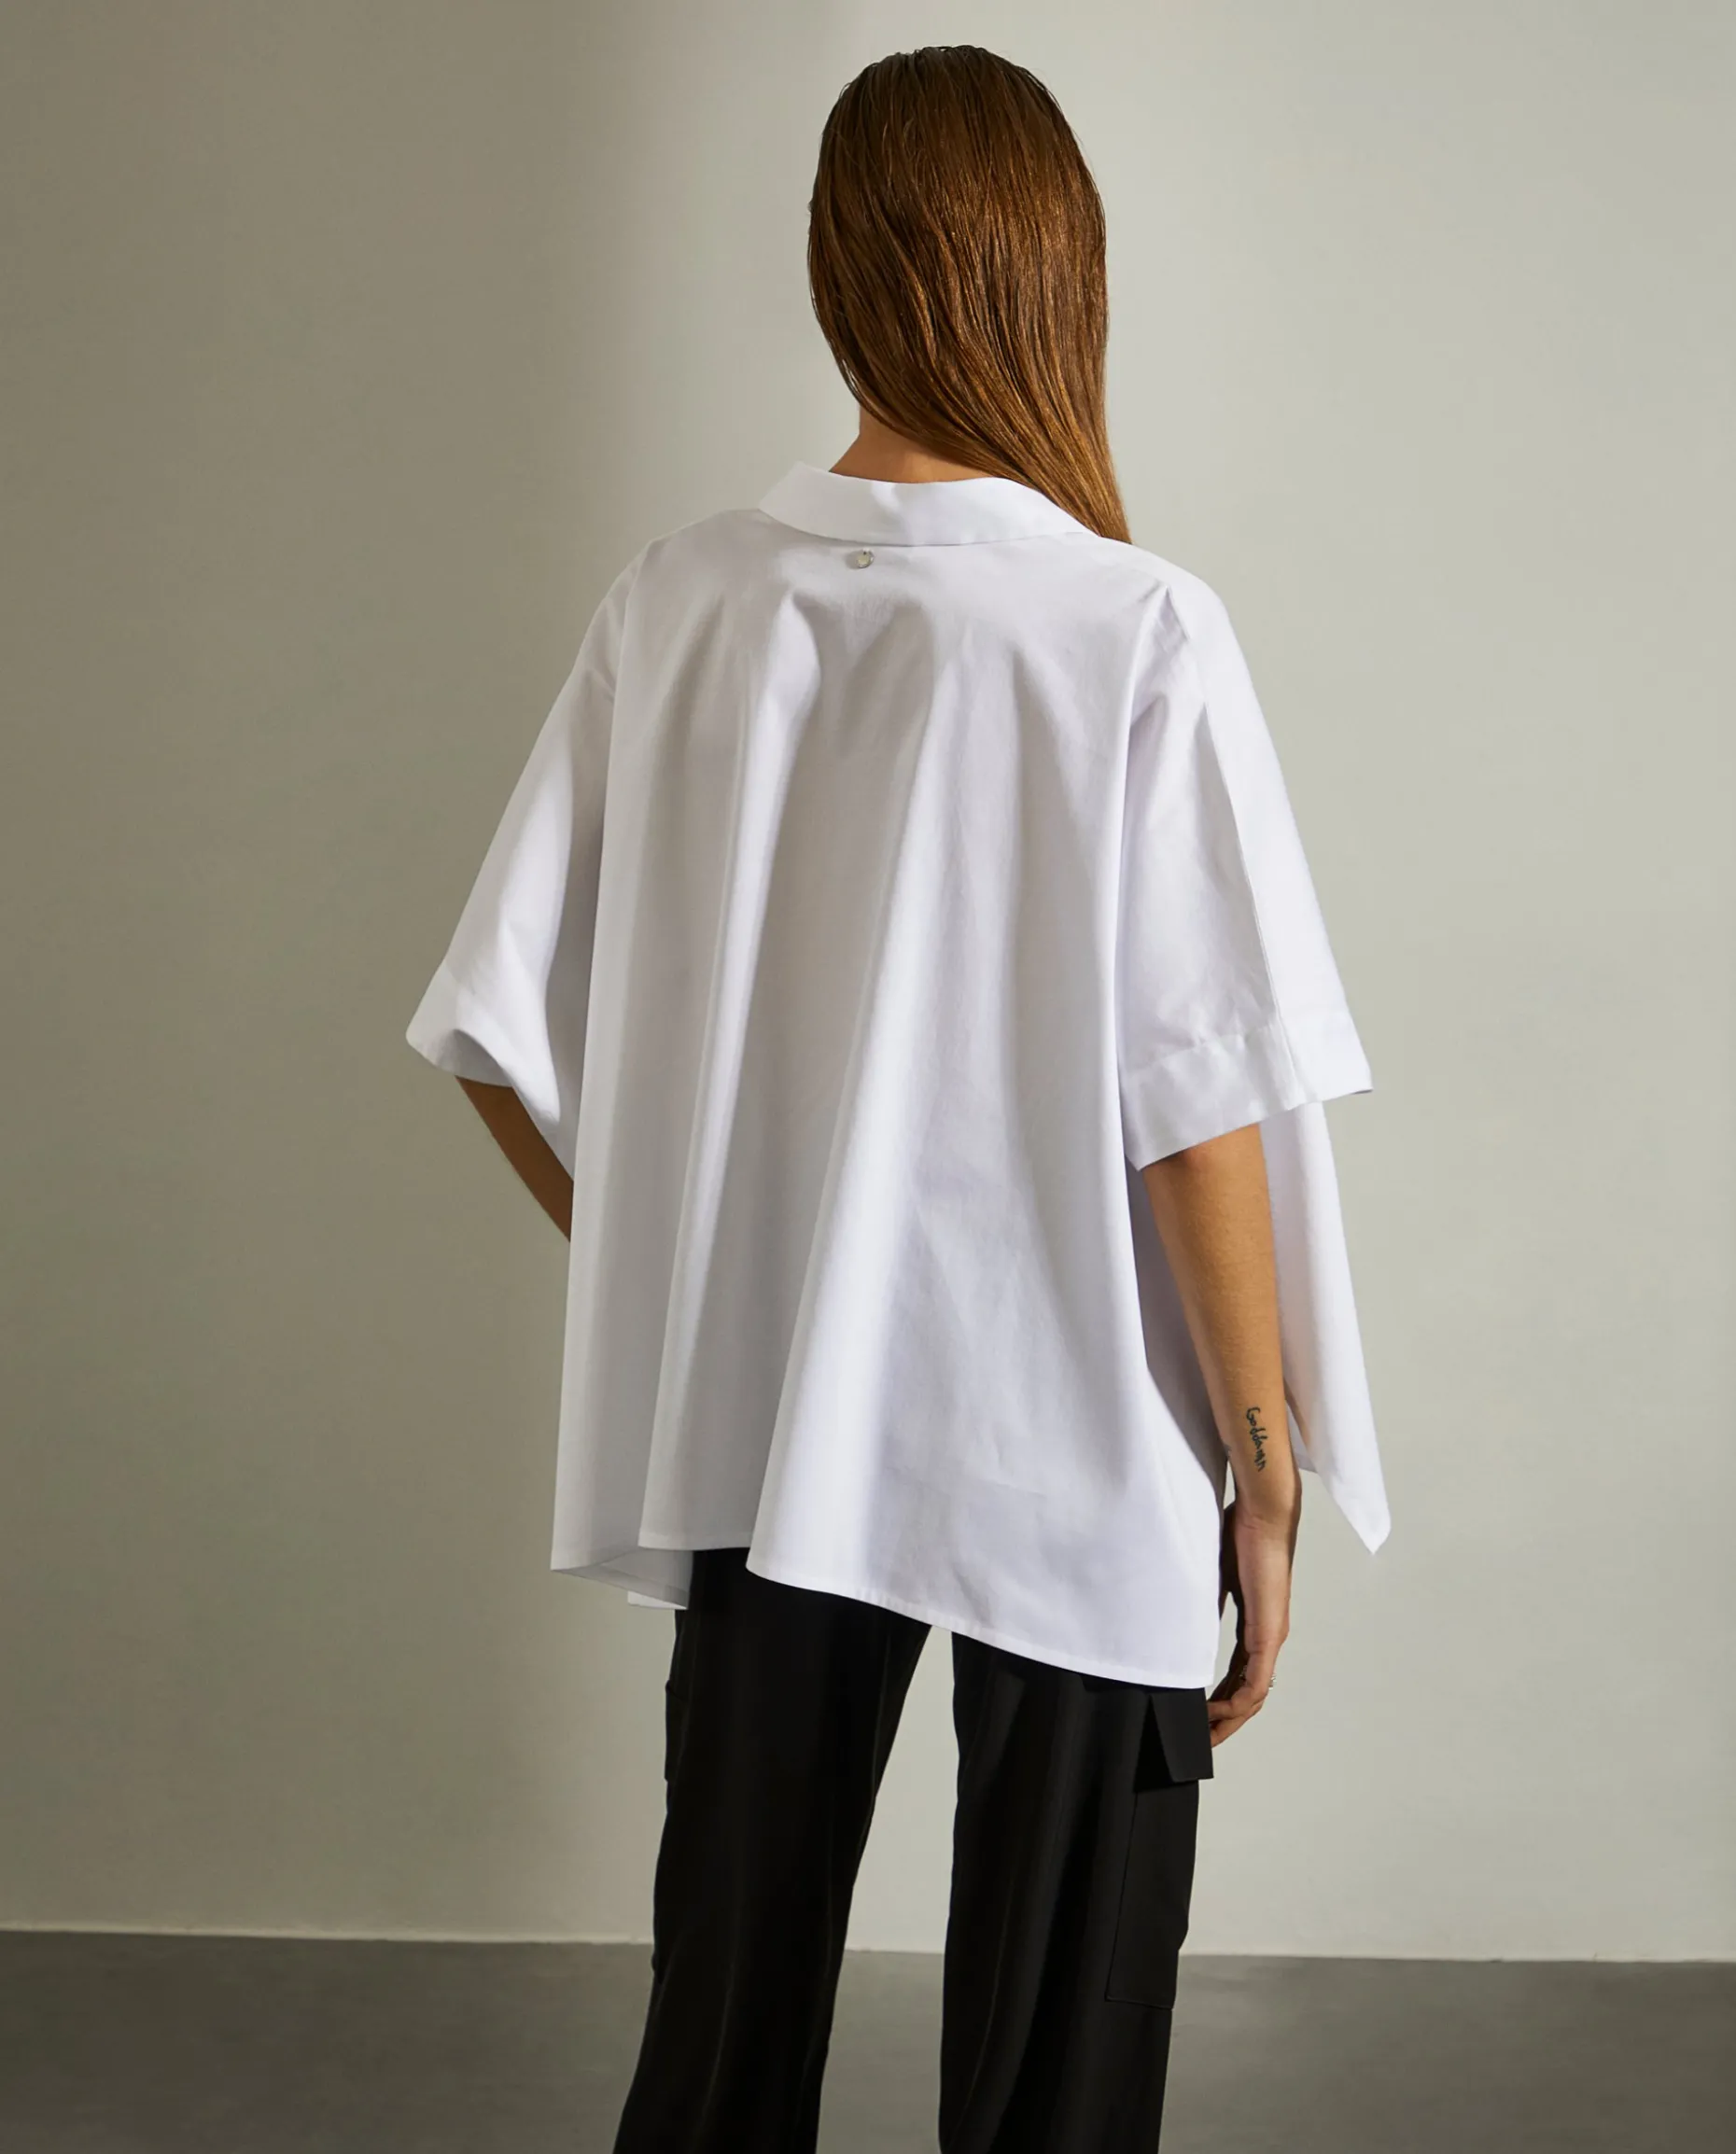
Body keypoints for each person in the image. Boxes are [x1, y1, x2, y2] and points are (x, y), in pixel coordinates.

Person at [404, 42, 1390, 2154]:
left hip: (771, 1420)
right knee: (1061, 2071)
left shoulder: (682, 599)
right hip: (1092, 1433)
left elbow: (497, 1027)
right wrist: (1265, 1457)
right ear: (1058, 276)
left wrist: (689, 1262)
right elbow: (1197, 1093)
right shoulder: (1132, 627)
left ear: (839, 271)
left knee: (723, 2031)